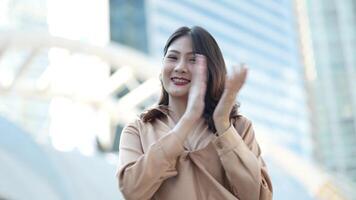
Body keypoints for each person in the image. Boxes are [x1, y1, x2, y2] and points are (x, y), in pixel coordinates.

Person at [116, 26, 273, 200]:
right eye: (173, 57)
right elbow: (131, 190)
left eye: (192, 60)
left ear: (212, 70)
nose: (180, 67)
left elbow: (258, 196)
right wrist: (188, 119)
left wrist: (222, 124)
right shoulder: (138, 130)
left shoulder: (239, 127)